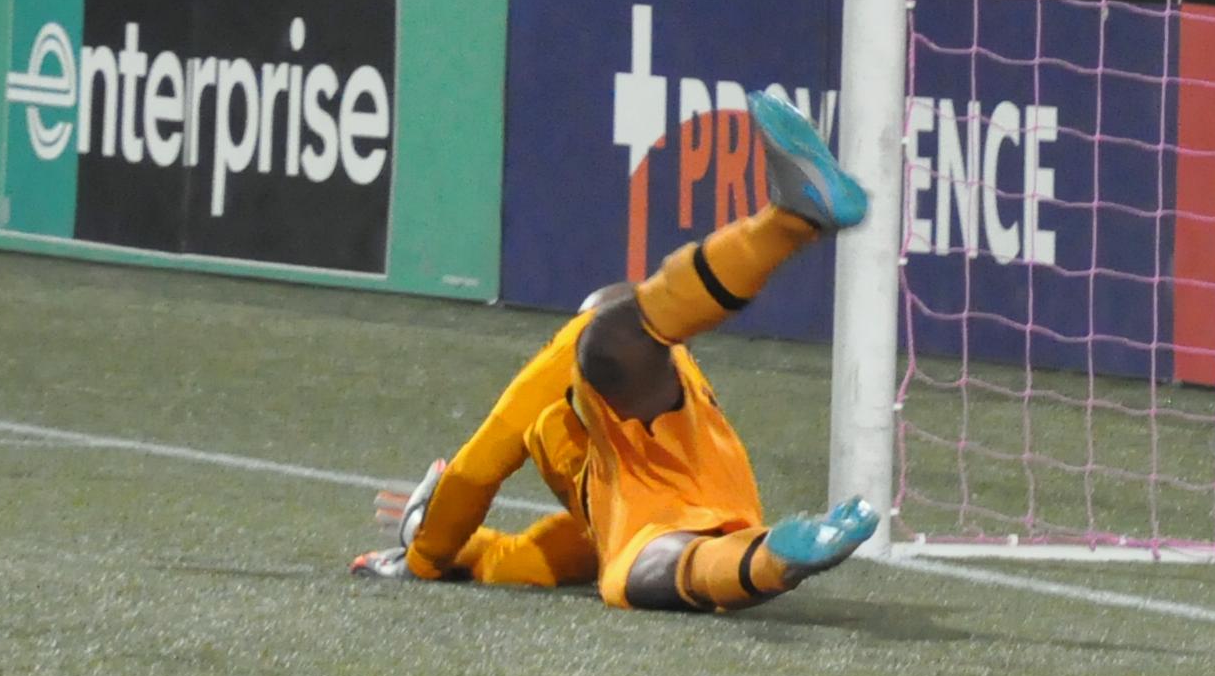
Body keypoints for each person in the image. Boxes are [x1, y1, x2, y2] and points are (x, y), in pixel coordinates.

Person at [353, 87, 880, 613]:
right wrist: (440, 538)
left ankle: (789, 221)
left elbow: (476, 470)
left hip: (656, 484)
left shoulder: (571, 364)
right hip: (719, 511)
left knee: (641, 567)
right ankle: (778, 557)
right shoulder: (603, 509)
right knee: (655, 569)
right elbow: (526, 557)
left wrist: (422, 556)